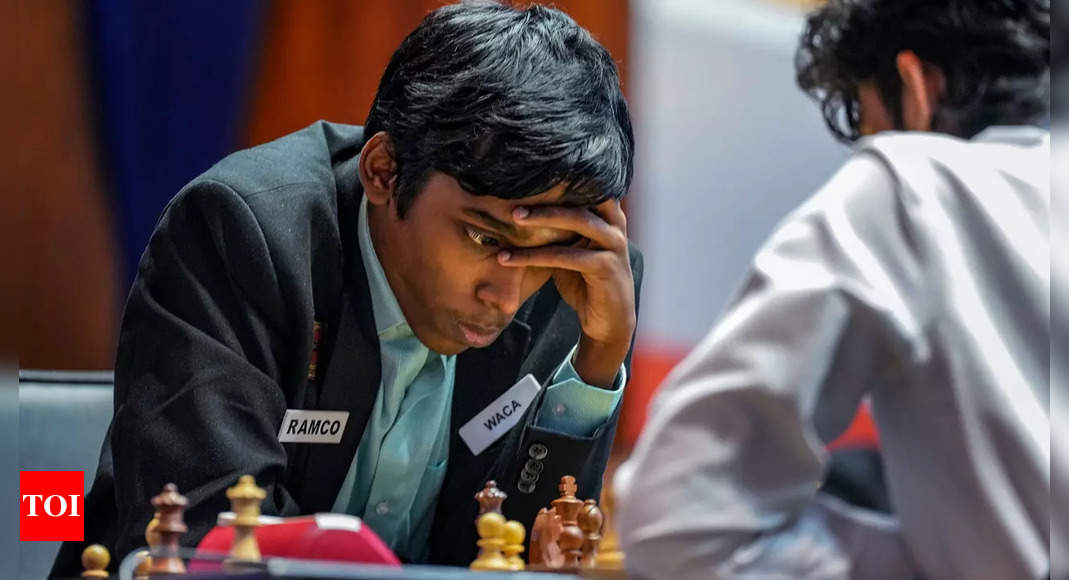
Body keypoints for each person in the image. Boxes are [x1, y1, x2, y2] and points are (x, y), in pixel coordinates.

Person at [53, 2, 641, 575]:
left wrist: (594, 369)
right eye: (483, 239)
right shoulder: (244, 233)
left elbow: (513, 553)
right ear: (384, 171)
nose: (508, 298)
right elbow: (213, 539)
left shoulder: (572, 283)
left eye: (536, 257)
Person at [614, 1, 1050, 578]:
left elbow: (677, 517)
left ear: (916, 84)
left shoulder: (916, 184)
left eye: (873, 131)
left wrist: (950, 561)